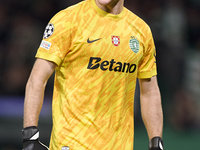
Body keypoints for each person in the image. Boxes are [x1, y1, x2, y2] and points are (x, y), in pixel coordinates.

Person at [22, 0, 164, 149]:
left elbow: (150, 92)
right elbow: (37, 79)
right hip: (71, 143)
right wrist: (30, 137)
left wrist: (156, 142)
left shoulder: (141, 31)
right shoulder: (68, 19)